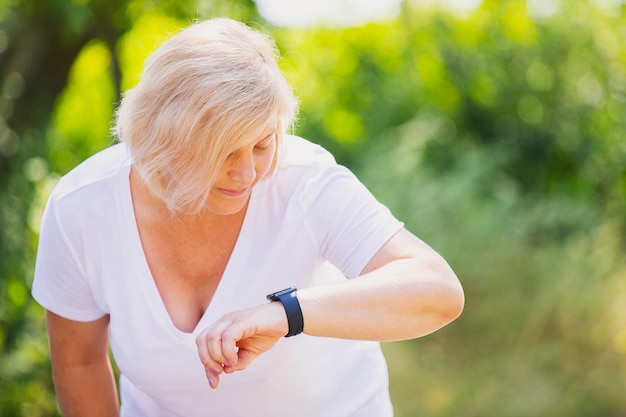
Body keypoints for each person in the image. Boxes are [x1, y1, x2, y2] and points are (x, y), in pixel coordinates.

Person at [32, 17, 464, 417]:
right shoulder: (82, 208)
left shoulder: (306, 182)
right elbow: (80, 364)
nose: (248, 173)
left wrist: (286, 313)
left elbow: (437, 291)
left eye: (261, 144)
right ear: (162, 138)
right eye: (223, 151)